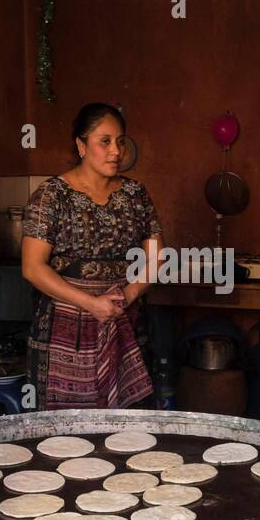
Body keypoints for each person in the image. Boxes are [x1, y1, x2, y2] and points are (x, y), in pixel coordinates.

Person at [21, 103, 162, 409]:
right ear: (81, 145)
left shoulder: (135, 195)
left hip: (125, 320)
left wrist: (127, 294)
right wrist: (91, 304)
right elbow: (33, 268)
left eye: (120, 141)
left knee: (132, 432)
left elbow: (157, 258)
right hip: (65, 332)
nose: (116, 151)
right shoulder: (51, 196)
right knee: (66, 438)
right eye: (105, 141)